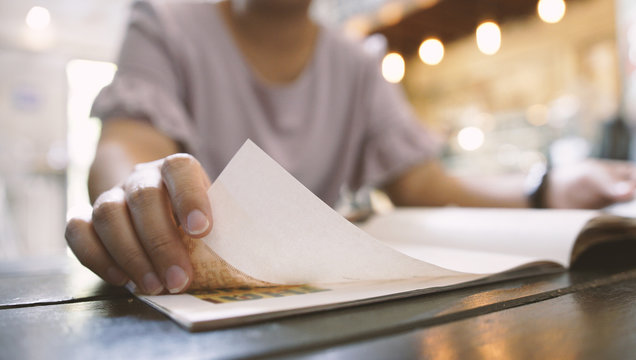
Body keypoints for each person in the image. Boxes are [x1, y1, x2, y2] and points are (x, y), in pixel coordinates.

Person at [65, 0, 636, 295]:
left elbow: (426, 186)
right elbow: (127, 143)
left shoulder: (356, 64)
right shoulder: (166, 22)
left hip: (320, 310)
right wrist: (136, 186)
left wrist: (549, 186)